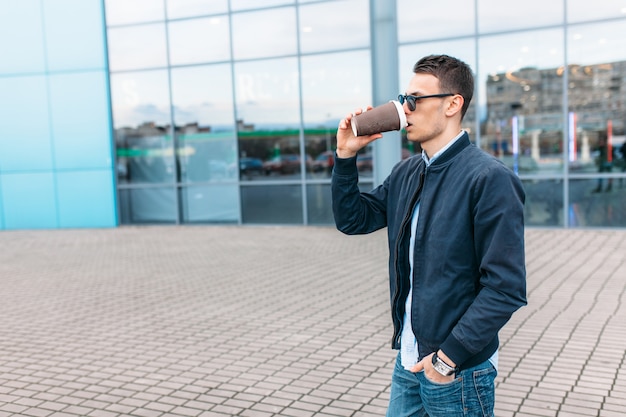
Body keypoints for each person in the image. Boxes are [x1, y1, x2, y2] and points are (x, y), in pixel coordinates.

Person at [331, 54, 527, 417]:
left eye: (415, 100)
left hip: (457, 372)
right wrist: (345, 156)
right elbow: (353, 220)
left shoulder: (489, 179)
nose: (405, 110)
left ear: (453, 104)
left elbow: (505, 288)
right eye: (404, 99)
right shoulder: (407, 172)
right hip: (409, 361)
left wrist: (447, 359)